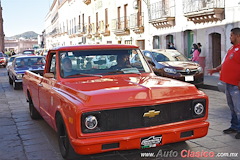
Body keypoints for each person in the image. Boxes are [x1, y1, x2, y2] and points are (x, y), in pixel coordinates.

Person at [208, 27, 240, 139]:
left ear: (237, 36)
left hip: (236, 85)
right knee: (232, 107)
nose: (230, 37)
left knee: (238, 108)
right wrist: (215, 69)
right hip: (228, 83)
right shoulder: (232, 48)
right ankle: (235, 126)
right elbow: (226, 62)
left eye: (231, 35)